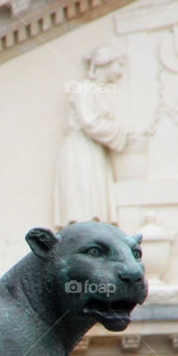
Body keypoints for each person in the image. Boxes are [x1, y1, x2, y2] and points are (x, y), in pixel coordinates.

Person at [53, 44, 130, 226]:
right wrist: (122, 132)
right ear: (106, 64)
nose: (121, 72)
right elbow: (90, 123)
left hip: (92, 151)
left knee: (95, 212)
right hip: (80, 152)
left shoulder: (98, 91)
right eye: (119, 65)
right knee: (84, 207)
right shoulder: (84, 88)